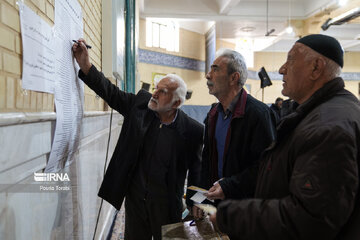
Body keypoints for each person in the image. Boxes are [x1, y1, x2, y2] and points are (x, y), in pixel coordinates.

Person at [211, 34, 360, 239]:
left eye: (290, 60)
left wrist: (231, 215)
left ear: (316, 68)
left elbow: (310, 218)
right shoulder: (318, 114)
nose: (282, 69)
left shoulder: (327, 127)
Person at [72, 39, 204, 240]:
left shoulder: (193, 131)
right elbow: (111, 93)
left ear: (176, 102)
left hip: (167, 207)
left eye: (162, 92)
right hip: (135, 203)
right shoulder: (141, 106)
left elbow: (198, 173)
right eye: (156, 87)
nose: (155, 94)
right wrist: (86, 66)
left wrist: (198, 204)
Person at [192, 49, 276, 218]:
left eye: (215, 69)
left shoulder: (259, 114)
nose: (208, 75)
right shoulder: (213, 114)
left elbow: (266, 168)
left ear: (233, 78)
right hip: (218, 207)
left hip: (247, 209)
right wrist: (200, 199)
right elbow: (206, 163)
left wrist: (229, 186)